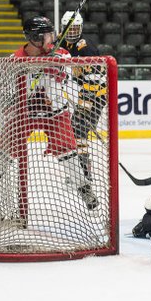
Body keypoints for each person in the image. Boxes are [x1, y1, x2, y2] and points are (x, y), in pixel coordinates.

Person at [3, 16, 99, 209]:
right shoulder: (15, 60)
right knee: (2, 150)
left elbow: (66, 74)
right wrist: (12, 100)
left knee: (68, 149)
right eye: (47, 35)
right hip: (24, 114)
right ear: (35, 38)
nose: (52, 39)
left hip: (56, 113)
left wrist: (54, 65)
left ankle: (84, 189)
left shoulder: (60, 54)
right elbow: (5, 89)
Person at [58, 11, 106, 185]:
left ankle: (85, 173)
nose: (71, 33)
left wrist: (85, 103)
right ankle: (82, 171)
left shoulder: (86, 47)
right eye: (68, 29)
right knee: (75, 130)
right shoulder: (61, 42)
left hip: (96, 93)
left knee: (78, 130)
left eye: (75, 29)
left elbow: (96, 79)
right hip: (82, 91)